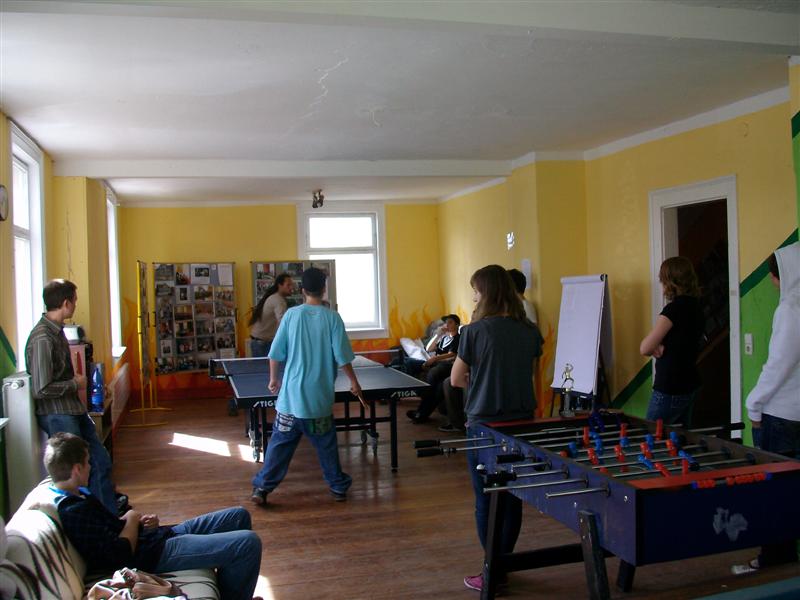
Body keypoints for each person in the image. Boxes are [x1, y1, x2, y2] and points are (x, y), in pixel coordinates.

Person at [45, 433, 263, 600]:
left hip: (154, 538)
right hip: (152, 554)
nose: (91, 467)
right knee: (248, 544)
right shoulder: (73, 511)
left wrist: (140, 524)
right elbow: (120, 554)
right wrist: (132, 518)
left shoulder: (80, 495)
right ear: (77, 469)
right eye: (88, 462)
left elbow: (109, 530)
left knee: (238, 516)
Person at [450, 265, 543, 593]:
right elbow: (531, 374)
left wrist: (479, 383)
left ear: (487, 293)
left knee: (485, 500)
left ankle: (493, 569)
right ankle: (503, 564)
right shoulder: (530, 330)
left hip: (484, 426)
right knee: (512, 498)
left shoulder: (474, 331)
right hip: (522, 422)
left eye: (476, 291)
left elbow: (456, 378)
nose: (474, 297)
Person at [251, 267, 364, 505]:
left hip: (290, 401)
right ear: (323, 289)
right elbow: (343, 357)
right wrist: (354, 382)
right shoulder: (332, 318)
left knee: (279, 446)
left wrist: (273, 379)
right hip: (318, 402)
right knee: (326, 446)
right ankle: (337, 487)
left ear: (302, 290)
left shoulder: (291, 315)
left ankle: (262, 488)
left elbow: (275, 353)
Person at [732, 243, 800, 575]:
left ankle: (775, 556)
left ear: (781, 275)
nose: (772, 282)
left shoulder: (790, 309)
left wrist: (754, 403)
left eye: (773, 276)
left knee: (776, 491)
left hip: (782, 415)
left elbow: (779, 365)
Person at [25, 279, 117, 515]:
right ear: (66, 303)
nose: (76, 305)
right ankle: (92, 521)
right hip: (58, 414)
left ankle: (109, 520)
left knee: (100, 462)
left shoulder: (57, 332)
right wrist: (75, 383)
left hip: (72, 409)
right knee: (75, 473)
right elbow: (41, 389)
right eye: (74, 301)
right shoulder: (43, 337)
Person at [639, 256, 704, 425]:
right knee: (680, 437)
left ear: (670, 282)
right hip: (690, 383)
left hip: (669, 386)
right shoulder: (696, 307)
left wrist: (658, 346)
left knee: (653, 436)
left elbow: (645, 348)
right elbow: (682, 342)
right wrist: (661, 345)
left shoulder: (673, 310)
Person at [406, 314, 461, 424]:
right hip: (435, 363)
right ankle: (418, 392)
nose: (447, 325)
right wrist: (438, 335)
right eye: (446, 323)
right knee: (409, 362)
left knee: (435, 382)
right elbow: (428, 348)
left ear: (457, 325)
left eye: (450, 322)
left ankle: (421, 412)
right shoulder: (445, 338)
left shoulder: (458, 338)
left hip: (445, 365)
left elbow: (452, 354)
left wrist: (435, 358)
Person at [248, 273, 295, 357]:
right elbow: (283, 322)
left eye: (292, 285)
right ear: (280, 285)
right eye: (288, 285)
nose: (291, 287)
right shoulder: (278, 300)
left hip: (262, 341)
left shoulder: (276, 298)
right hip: (262, 344)